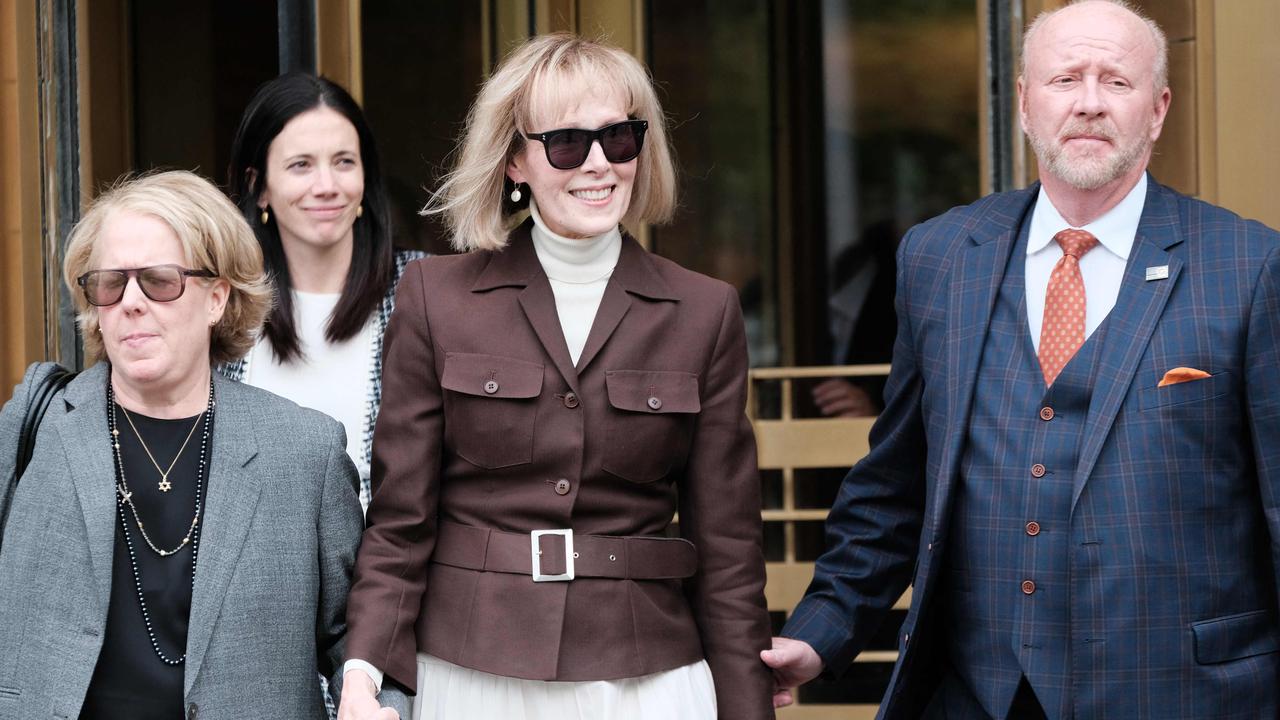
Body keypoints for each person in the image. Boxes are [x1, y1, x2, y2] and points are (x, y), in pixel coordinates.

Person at [763, 1, 1280, 717]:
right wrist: (820, 636)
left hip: (1182, 694)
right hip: (978, 696)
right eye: (1066, 79)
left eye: (1117, 83)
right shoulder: (941, 257)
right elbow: (896, 487)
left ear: (1158, 110)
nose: (1091, 103)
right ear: (1025, 105)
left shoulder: (1249, 266)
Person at [337, 33, 773, 720]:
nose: (599, 164)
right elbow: (401, 522)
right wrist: (362, 671)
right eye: (568, 143)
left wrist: (749, 710)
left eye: (620, 139)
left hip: (645, 676)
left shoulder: (704, 311)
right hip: (472, 669)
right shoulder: (435, 298)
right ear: (516, 160)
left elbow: (730, 551)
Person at [0, 171, 400, 718]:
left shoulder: (304, 451)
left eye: (159, 281)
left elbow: (357, 631)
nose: (131, 302)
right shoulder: (37, 424)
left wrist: (375, 698)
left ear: (217, 298)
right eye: (111, 283)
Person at [223, 73, 425, 509]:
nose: (327, 185)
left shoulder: (425, 291)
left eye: (344, 162)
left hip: (393, 567)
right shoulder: (223, 306)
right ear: (259, 187)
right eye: (301, 165)